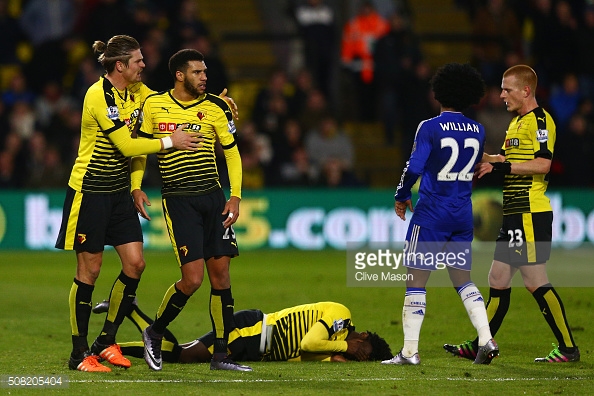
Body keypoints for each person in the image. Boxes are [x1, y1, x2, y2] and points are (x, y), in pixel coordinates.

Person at [54, 35, 201, 373]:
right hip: (90, 192)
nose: (144, 65)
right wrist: (170, 142)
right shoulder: (98, 94)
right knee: (89, 271)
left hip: (120, 193)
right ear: (119, 65)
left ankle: (105, 342)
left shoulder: (138, 93)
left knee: (135, 264)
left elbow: (171, 103)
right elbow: (125, 144)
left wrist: (209, 102)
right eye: (138, 61)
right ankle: (79, 355)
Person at [444, 65, 580, 363]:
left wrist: (500, 167)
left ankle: (568, 349)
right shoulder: (516, 123)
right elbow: (506, 158)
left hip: (530, 212)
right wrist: (480, 157)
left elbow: (543, 164)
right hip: (515, 212)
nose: (502, 94)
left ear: (526, 90)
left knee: (534, 280)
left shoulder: (540, 121)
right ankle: (481, 344)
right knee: (498, 277)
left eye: (507, 89)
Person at [130, 49, 248, 372]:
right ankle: (153, 332)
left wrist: (235, 196)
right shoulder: (154, 106)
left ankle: (221, 356)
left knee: (221, 275)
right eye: (197, 72)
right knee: (193, 279)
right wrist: (136, 186)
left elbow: (233, 154)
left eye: (205, 72)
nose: (204, 77)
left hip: (213, 198)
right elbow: (140, 150)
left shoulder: (215, 108)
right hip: (179, 201)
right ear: (180, 75)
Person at [381, 63, 498, 366]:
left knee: (416, 281)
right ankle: (486, 339)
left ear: (439, 92)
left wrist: (402, 194)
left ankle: (409, 352)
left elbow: (415, 167)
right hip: (462, 214)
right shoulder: (478, 129)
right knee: (463, 280)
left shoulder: (429, 126)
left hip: (432, 213)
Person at [92, 299, 392, 363]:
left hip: (255, 348)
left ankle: (113, 348)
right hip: (252, 330)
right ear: (362, 336)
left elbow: (314, 355)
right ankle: (130, 310)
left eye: (360, 359)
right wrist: (342, 349)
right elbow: (308, 343)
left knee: (181, 354)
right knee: (183, 354)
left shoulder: (333, 351)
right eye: (361, 350)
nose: (355, 354)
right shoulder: (341, 315)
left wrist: (342, 357)